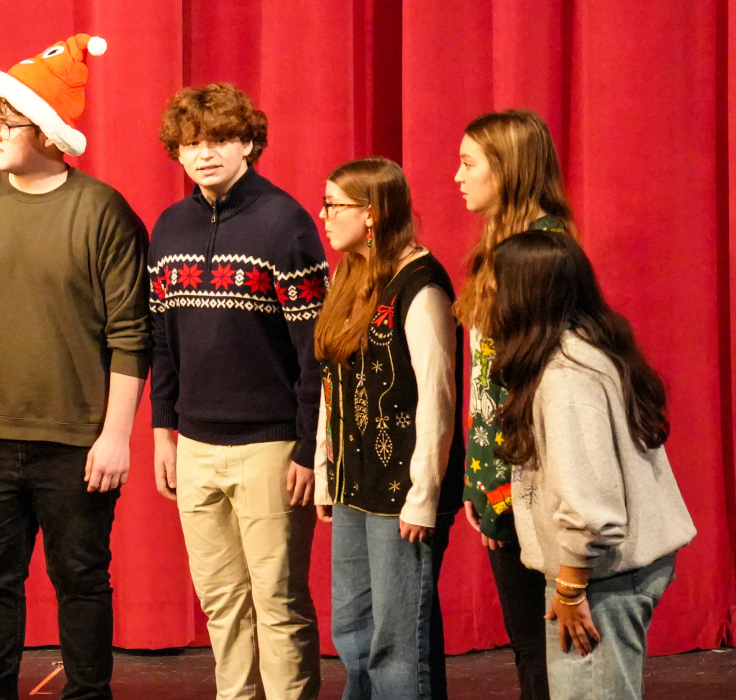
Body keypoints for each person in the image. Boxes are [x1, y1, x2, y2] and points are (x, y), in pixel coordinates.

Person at [0, 34, 143, 700]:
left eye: (5, 120)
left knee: (81, 580)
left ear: (44, 129)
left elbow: (133, 333)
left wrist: (116, 434)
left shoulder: (101, 211)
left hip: (76, 442)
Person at [146, 83, 325, 700]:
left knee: (277, 601)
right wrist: (161, 430)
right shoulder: (168, 228)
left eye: (220, 139)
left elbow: (314, 350)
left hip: (271, 448)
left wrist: (308, 446)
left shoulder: (286, 222)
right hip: (194, 445)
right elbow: (161, 342)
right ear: (177, 152)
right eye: (192, 143)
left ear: (250, 142)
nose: (206, 154)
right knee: (221, 601)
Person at [484, 232, 694, 700]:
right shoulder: (583, 351)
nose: (490, 293)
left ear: (525, 294)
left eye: (497, 282)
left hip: (601, 577)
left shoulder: (566, 378)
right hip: (604, 573)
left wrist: (572, 586)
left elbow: (592, 508)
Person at [310, 158, 463, 699]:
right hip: (356, 486)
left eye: (335, 205)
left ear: (371, 215)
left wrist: (424, 497)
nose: (323, 216)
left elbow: (437, 402)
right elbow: (334, 384)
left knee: (397, 643)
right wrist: (326, 472)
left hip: (402, 493)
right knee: (352, 632)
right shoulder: (349, 274)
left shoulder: (421, 287)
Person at [451, 108, 576, 700]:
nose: (458, 176)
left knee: (549, 643)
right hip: (496, 475)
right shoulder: (493, 247)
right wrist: (478, 479)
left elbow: (534, 381)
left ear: (508, 170)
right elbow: (481, 379)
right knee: (528, 642)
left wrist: (501, 484)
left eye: (469, 163)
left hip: (531, 478)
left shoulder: (541, 252)